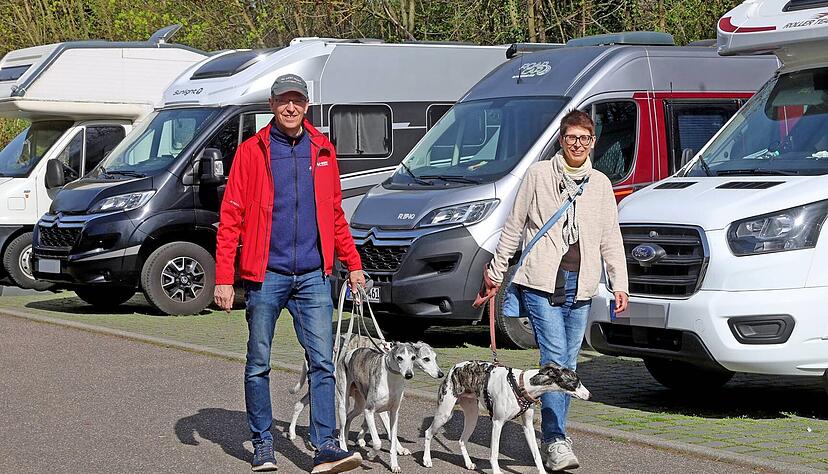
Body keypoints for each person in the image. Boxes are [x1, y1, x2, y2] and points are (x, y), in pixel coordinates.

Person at [213, 73, 365, 474]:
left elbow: (333, 213)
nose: (291, 107)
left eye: (297, 100)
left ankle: (326, 446)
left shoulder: (323, 149)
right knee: (258, 362)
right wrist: (224, 277)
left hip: (314, 274)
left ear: (307, 105)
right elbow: (231, 216)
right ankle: (263, 444)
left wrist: (353, 264)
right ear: (272, 105)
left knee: (323, 363)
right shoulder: (251, 152)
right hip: (266, 275)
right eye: (284, 100)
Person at [483, 109, 629, 471]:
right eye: (570, 137)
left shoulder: (600, 184)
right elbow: (514, 226)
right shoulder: (538, 175)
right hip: (541, 282)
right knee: (555, 362)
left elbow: (611, 237)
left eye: (584, 138)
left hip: (581, 285)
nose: (577, 144)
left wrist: (619, 283)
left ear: (593, 142)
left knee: (570, 363)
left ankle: (557, 432)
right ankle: (555, 439)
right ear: (561, 140)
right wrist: (497, 272)